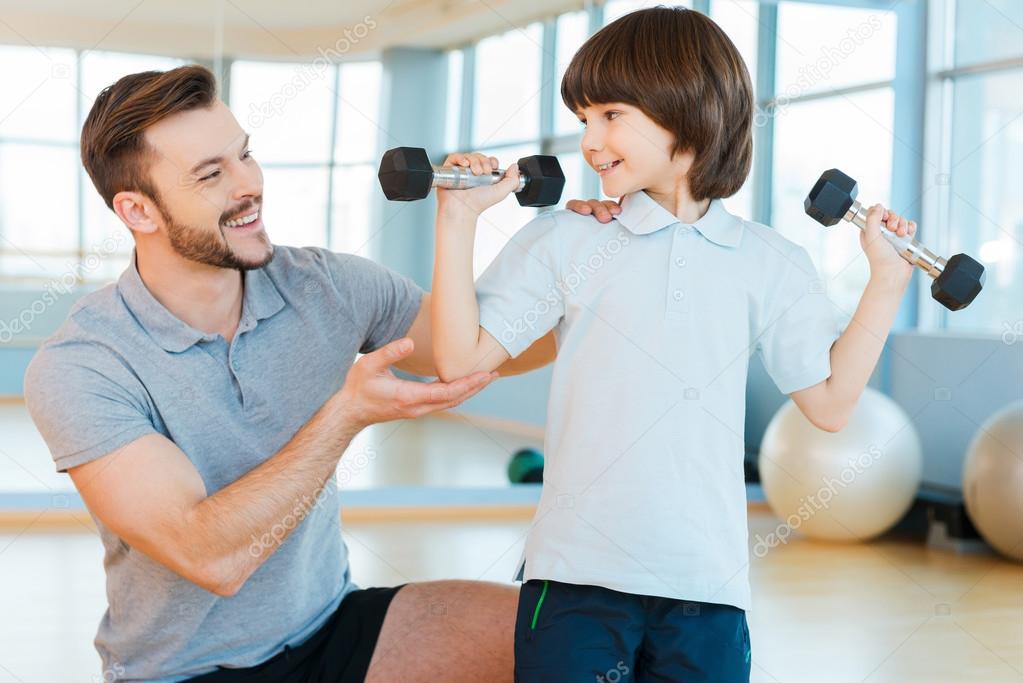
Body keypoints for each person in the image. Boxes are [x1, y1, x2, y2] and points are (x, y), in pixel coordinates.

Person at [23, 64, 571, 682]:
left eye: (244, 155)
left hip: (329, 627)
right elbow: (211, 558)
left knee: (562, 641)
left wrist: (580, 262)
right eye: (210, 174)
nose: (248, 184)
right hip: (184, 671)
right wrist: (347, 414)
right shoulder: (83, 365)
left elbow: (472, 348)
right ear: (139, 211)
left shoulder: (326, 286)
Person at [430, 7, 917, 681]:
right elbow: (458, 361)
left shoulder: (767, 261)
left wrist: (886, 282)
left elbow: (831, 405)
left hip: (705, 587)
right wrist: (454, 221)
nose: (590, 141)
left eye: (609, 114)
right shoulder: (565, 239)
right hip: (573, 576)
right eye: (582, 120)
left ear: (685, 113)